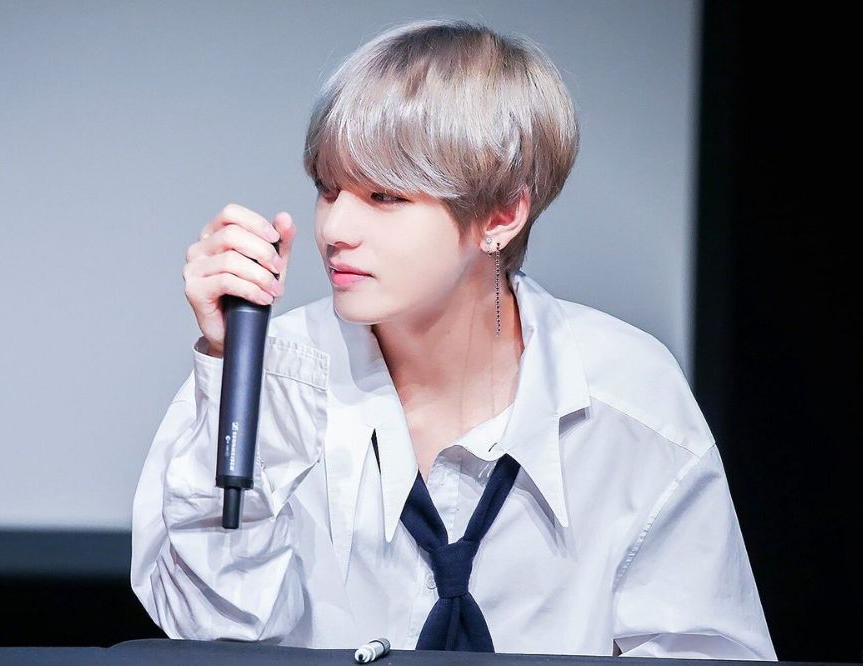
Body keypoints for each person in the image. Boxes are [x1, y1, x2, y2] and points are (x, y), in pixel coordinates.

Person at [130, 19, 777, 659]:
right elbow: (208, 633)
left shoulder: (628, 394)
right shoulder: (271, 373)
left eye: (384, 196)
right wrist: (227, 370)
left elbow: (705, 653)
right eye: (328, 190)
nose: (334, 228)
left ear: (502, 214)